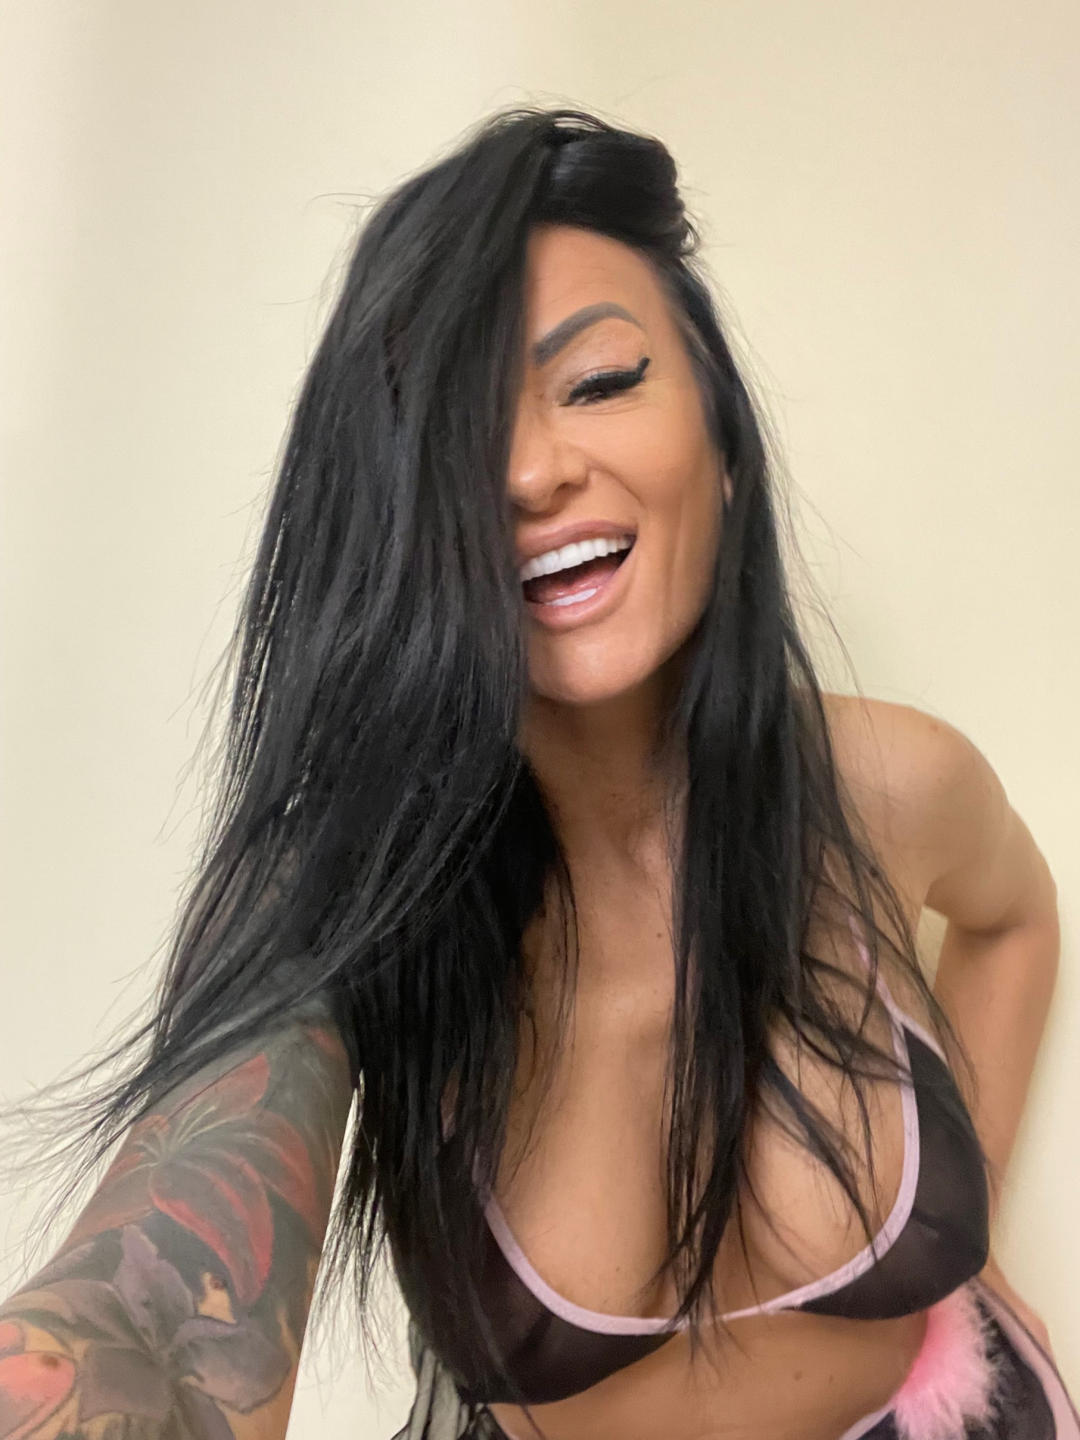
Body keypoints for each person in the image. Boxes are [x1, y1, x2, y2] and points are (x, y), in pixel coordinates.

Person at [0, 105, 1073, 1440]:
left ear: (725, 444)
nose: (524, 470)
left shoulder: (888, 780)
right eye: (448, 434)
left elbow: (1016, 918)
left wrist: (969, 1243)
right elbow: (153, 1330)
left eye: (601, 380)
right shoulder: (347, 902)